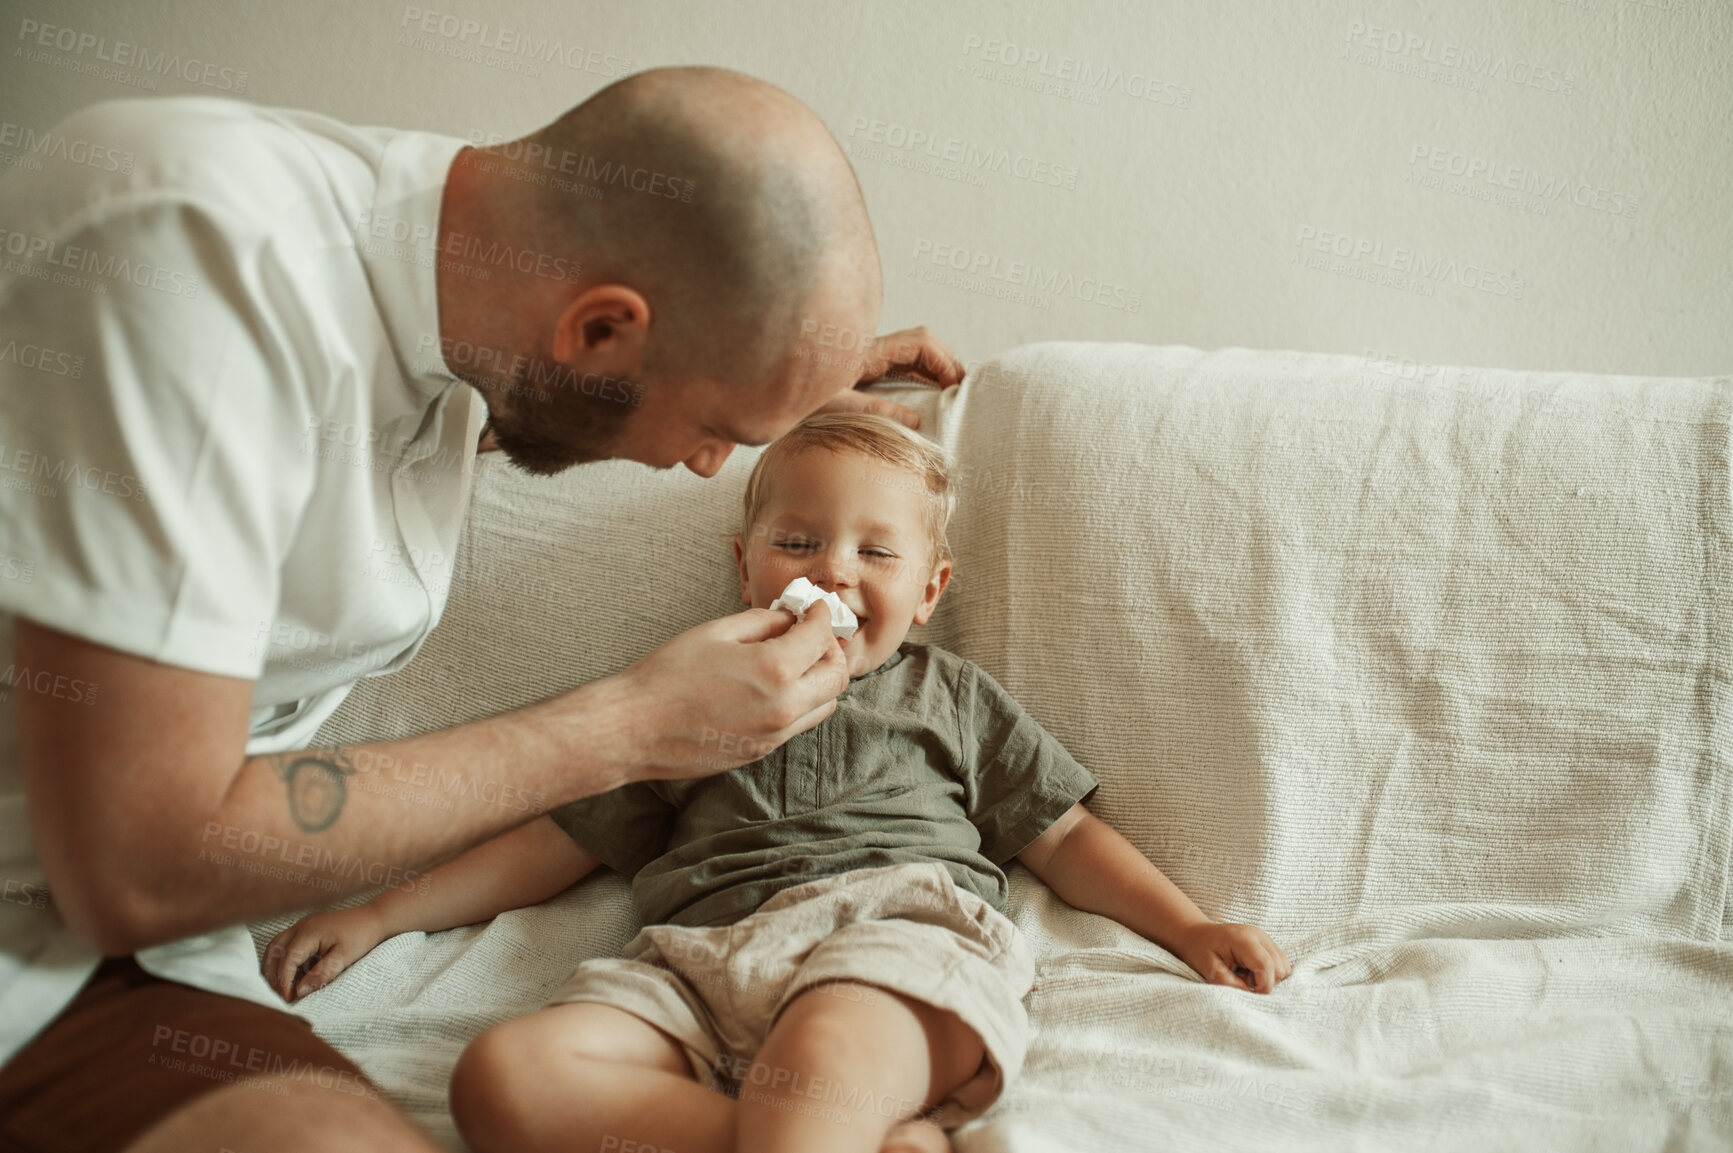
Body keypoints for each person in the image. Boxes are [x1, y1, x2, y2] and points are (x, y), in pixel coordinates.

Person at [0, 66, 963, 1152]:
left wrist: (769, 377)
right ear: (600, 333)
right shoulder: (192, 260)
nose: (700, 468)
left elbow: (361, 432)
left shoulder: (447, 316)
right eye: (719, 433)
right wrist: (625, 727)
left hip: (156, 961)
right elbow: (139, 863)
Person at [261, 412, 1293, 1153]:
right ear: (743, 563)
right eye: (797, 542)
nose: (833, 571)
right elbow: (557, 837)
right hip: (699, 968)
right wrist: (384, 912)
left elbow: (1062, 838)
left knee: (830, 1046)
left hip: (889, 943)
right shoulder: (690, 693)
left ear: (927, 591)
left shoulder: (947, 695)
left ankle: (815, 1125)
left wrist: (1188, 926)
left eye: (873, 551)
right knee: (502, 1080)